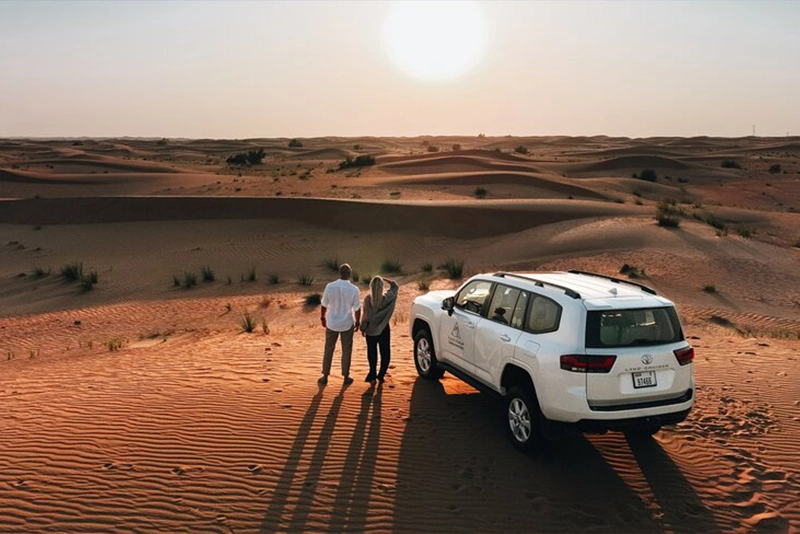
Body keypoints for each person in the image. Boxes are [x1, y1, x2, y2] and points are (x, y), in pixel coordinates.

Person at [319, 263, 361, 386]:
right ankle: (346, 376)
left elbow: (324, 304)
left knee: (328, 349)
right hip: (347, 323)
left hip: (332, 323)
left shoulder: (330, 286)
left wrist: (322, 318)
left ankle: (325, 376)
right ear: (350, 273)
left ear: (339, 273)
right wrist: (357, 322)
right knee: (346, 350)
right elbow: (357, 309)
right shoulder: (354, 289)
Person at [360, 276, 399, 384]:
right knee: (385, 352)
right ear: (382, 287)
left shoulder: (368, 299)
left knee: (372, 352)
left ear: (371, 287)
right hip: (384, 328)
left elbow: (365, 315)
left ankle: (372, 373)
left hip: (370, 329)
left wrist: (363, 327)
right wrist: (388, 280)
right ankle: (381, 374)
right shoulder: (387, 298)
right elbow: (395, 287)